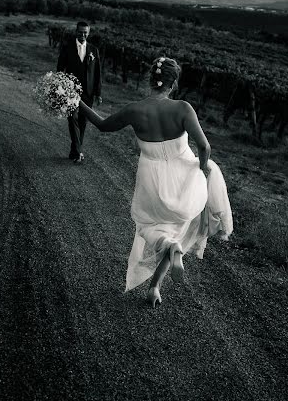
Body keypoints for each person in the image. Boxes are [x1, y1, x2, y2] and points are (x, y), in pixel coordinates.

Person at [79, 56, 233, 307]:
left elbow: (103, 126)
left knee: (151, 227)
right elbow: (204, 146)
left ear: (150, 81)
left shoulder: (134, 109)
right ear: (172, 85)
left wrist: (78, 102)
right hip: (184, 177)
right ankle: (155, 286)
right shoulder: (183, 108)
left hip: (151, 178)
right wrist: (203, 168)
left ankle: (159, 276)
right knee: (178, 229)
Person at [57, 21, 102, 163]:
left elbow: (98, 74)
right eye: (80, 32)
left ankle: (74, 151)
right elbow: (60, 68)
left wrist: (98, 93)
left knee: (83, 122)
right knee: (72, 119)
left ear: (88, 33)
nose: (82, 34)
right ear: (76, 31)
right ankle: (78, 152)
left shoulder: (94, 50)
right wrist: (60, 87)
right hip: (70, 91)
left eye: (85, 32)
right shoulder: (67, 47)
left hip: (88, 93)